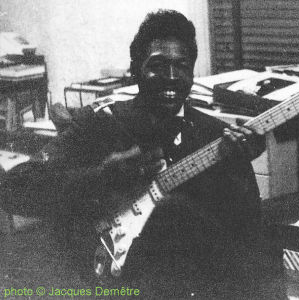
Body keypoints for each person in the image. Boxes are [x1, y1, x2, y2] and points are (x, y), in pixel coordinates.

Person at [0, 9, 282, 298]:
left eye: (182, 66)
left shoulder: (213, 133)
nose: (172, 77)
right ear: (135, 69)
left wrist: (239, 173)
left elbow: (245, 229)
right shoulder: (101, 123)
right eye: (158, 65)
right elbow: (14, 189)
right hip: (114, 281)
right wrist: (103, 176)